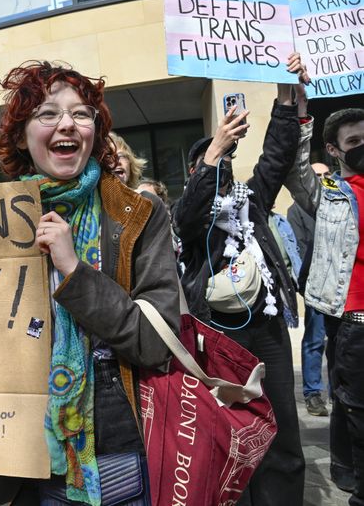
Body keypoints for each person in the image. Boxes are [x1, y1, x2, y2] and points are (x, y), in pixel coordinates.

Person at [0, 61, 181, 505]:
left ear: (96, 132)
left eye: (81, 114)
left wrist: (74, 271)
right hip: (22, 454)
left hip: (115, 448)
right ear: (21, 136)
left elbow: (155, 343)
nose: (66, 123)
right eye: (47, 113)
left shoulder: (137, 215)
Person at [172, 55, 307, 505]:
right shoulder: (188, 215)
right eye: (212, 163)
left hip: (265, 331)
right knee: (234, 429)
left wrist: (286, 92)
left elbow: (276, 155)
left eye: (227, 160)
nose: (222, 168)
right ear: (196, 173)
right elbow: (189, 215)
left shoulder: (251, 200)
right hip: (219, 335)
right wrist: (212, 151)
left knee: (281, 428)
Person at [286, 106, 364, 504]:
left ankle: (347, 470)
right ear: (334, 150)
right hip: (354, 321)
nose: (362, 148)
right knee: (356, 408)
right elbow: (295, 171)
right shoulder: (332, 193)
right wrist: (298, 114)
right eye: (354, 143)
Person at [288, 163, 332, 418]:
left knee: (339, 340)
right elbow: (300, 251)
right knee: (315, 340)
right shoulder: (297, 210)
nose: (323, 179)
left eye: (326, 174)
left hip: (343, 285)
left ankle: (338, 390)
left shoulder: (338, 205)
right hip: (316, 284)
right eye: (317, 175)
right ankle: (313, 393)